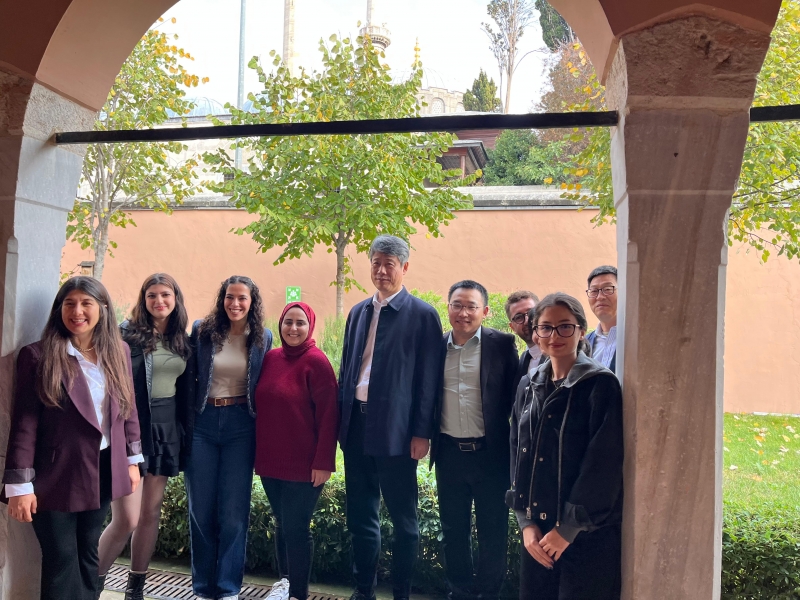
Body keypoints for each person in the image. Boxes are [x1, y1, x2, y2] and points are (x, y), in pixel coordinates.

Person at [3, 276, 143, 600]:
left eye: (86, 303)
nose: (77, 311)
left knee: (88, 553)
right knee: (61, 560)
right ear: (59, 309)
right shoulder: (38, 356)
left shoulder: (119, 351)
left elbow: (128, 408)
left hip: (103, 468)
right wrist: (20, 485)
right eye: (69, 304)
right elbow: (25, 424)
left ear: (103, 308)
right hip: (55, 474)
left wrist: (132, 460)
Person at [338, 235, 443, 600]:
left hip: (397, 431)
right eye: (376, 263)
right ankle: (363, 590)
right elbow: (347, 368)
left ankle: (401, 593)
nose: (381, 270)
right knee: (360, 515)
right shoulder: (358, 312)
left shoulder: (423, 315)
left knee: (404, 520)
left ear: (405, 267)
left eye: (390, 264)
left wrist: (421, 432)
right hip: (356, 426)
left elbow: (429, 381)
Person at [507, 292, 623, 600]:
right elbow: (518, 453)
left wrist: (566, 530)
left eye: (565, 326)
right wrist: (525, 523)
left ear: (581, 330)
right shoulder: (528, 385)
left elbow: (603, 465)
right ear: (535, 333)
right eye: (545, 327)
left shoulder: (600, 385)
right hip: (537, 535)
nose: (554, 335)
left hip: (585, 536)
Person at [96, 273, 194, 599]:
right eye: (152, 295)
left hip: (166, 429)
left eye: (165, 294)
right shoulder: (125, 335)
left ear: (176, 299)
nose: (159, 301)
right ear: (144, 299)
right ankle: (90, 584)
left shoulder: (182, 340)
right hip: (131, 426)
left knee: (151, 513)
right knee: (127, 518)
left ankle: (135, 589)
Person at [185, 275, 272, 600]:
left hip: (241, 426)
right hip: (204, 422)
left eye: (242, 298)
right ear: (222, 299)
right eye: (230, 297)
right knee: (201, 510)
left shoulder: (262, 337)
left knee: (234, 513)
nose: (235, 304)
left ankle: (227, 589)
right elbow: (189, 378)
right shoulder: (202, 331)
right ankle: (202, 589)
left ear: (252, 302)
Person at [430, 280, 518, 600]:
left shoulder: (502, 345)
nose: (463, 313)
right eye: (457, 305)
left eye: (471, 306)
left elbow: (516, 398)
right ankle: (460, 591)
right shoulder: (435, 346)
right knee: (453, 530)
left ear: (485, 311)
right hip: (449, 453)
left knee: (493, 530)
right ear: (448, 308)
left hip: (490, 454)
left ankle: (488, 593)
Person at [254, 302, 340, 600]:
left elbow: (329, 417)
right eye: (288, 322)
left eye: (300, 323)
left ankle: (298, 594)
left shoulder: (317, 363)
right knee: (282, 523)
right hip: (270, 462)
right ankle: (285, 582)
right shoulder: (271, 358)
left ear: (310, 326)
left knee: (296, 527)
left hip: (304, 465)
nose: (293, 328)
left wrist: (324, 462)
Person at [505, 290, 542, 388]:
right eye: (518, 317)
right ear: (512, 327)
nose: (527, 321)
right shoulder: (522, 361)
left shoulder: (559, 356)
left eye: (531, 313)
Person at [585, 266, 618, 371]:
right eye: (594, 291)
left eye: (607, 289)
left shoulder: (636, 339)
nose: (600, 297)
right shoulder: (583, 344)